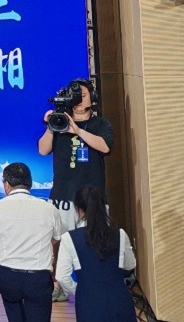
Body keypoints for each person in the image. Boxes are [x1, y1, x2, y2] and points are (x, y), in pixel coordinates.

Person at [39, 78, 113, 301]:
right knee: (56, 242)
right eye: (75, 95)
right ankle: (57, 284)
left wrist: (77, 130)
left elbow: (105, 147)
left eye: (83, 94)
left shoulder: (100, 124)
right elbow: (43, 150)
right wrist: (52, 127)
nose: (79, 99)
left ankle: (95, 285)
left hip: (92, 198)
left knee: (96, 241)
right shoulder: (59, 121)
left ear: (93, 97)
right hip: (62, 195)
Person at [0, 162, 62, 322]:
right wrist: (53, 274)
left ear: (6, 184)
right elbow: (55, 242)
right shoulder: (50, 209)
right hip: (38, 279)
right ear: (30, 183)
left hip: (8, 278)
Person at [55, 185, 136, 321]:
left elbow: (62, 277)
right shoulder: (120, 234)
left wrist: (79, 290)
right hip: (119, 300)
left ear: (78, 209)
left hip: (89, 303)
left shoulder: (69, 238)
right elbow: (130, 265)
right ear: (103, 207)